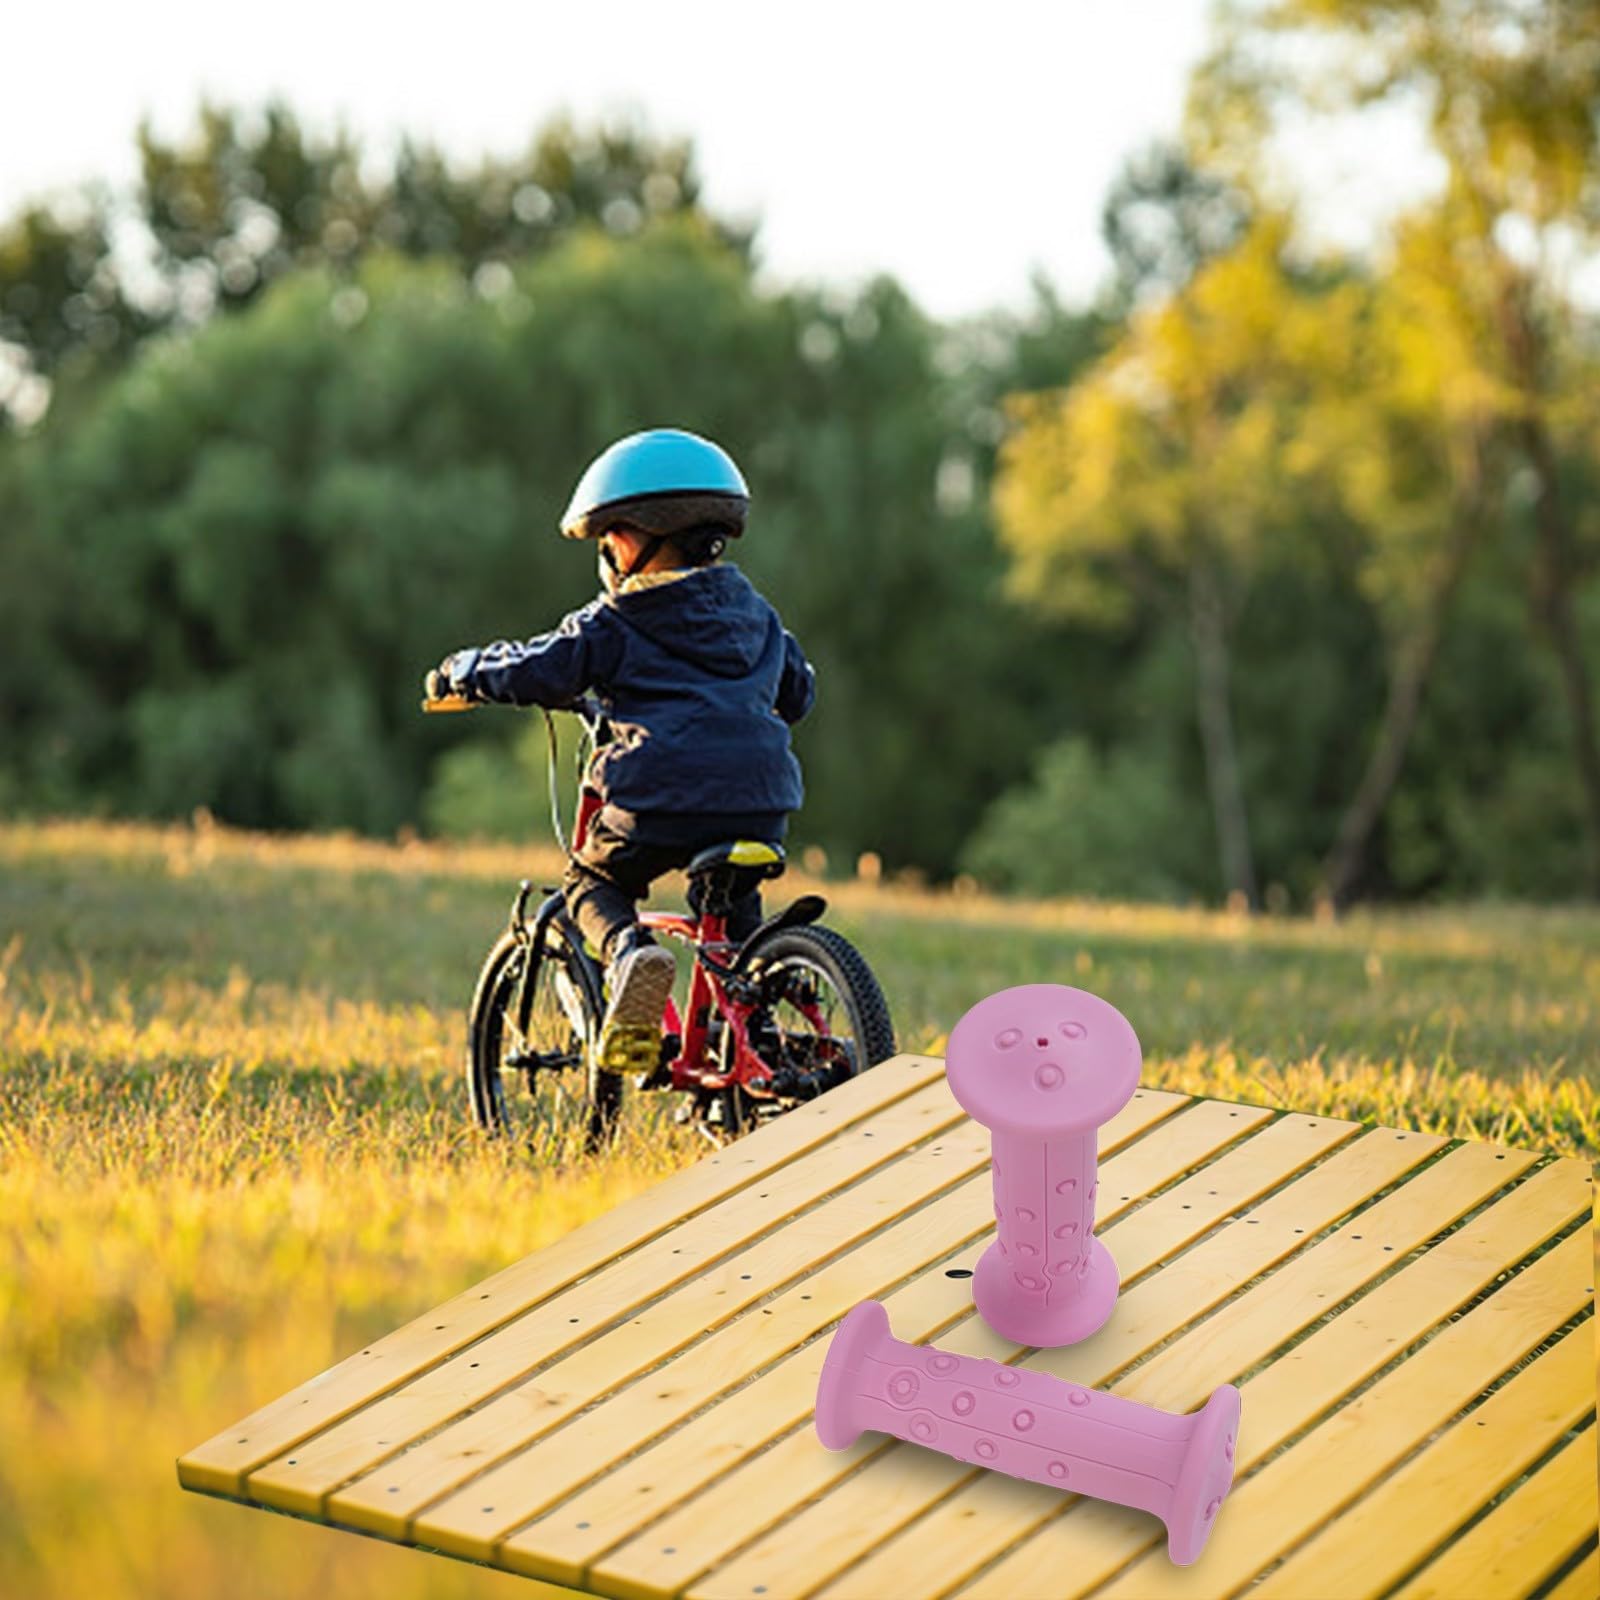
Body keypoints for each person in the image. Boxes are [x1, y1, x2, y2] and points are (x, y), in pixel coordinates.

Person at [425, 428, 816, 1072]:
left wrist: (465, 671)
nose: (605, 551)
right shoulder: (759, 616)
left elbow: (539, 667)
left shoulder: (615, 621)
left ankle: (630, 954)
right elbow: (798, 694)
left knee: (592, 881)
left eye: (610, 535)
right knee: (732, 926)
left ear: (643, 536)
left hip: (661, 798)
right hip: (762, 801)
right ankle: (757, 1040)